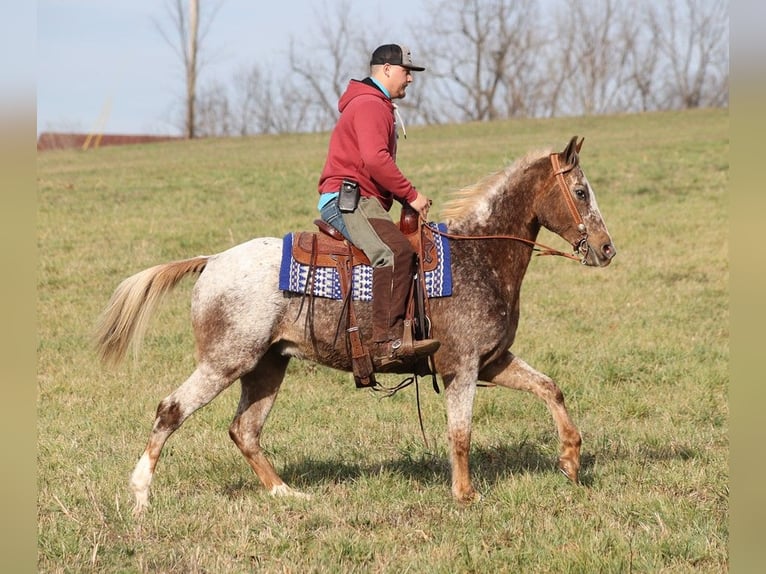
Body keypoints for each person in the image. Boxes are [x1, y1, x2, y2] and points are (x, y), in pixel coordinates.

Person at [317, 43, 440, 369]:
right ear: (386, 69)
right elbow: (375, 160)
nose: (410, 79)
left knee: (400, 249)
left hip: (364, 201)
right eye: (406, 72)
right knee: (393, 252)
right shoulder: (371, 105)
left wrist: (406, 197)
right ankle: (386, 343)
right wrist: (411, 194)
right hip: (349, 201)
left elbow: (375, 166)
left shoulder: (375, 104)